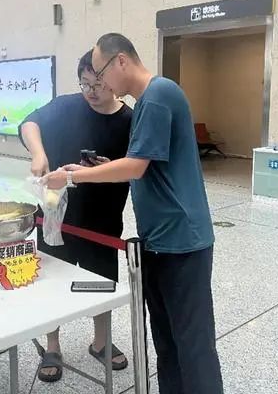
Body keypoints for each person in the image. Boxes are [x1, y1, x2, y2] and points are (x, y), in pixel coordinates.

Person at [43, 34, 224, 393]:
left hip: (181, 242)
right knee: (166, 340)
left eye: (101, 75)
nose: (102, 85)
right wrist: (104, 167)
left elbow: (136, 166)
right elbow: (147, 166)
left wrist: (73, 177)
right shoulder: (146, 102)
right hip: (157, 242)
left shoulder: (158, 95)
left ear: (121, 61)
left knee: (192, 344)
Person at [18, 49, 133, 383]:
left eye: (98, 84)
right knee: (52, 281)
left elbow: (136, 168)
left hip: (103, 220)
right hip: (57, 219)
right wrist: (38, 154)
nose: (91, 92)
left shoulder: (129, 121)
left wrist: (107, 169)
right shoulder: (67, 106)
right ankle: (52, 346)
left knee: (102, 283)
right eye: (85, 84)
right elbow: (29, 123)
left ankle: (101, 341)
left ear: (113, 80)